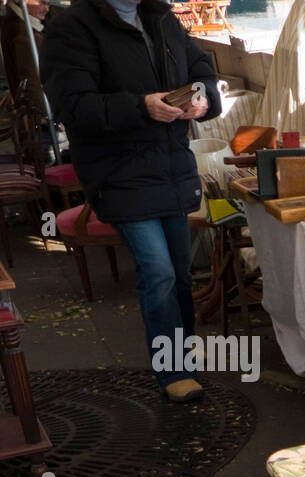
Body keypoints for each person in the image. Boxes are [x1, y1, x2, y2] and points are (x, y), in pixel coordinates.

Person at [41, 0, 222, 402]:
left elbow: (202, 71)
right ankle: (173, 371)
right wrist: (141, 106)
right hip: (118, 170)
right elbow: (73, 105)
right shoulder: (71, 27)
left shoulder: (161, 17)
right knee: (157, 270)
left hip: (170, 167)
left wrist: (201, 97)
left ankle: (181, 354)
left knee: (179, 271)